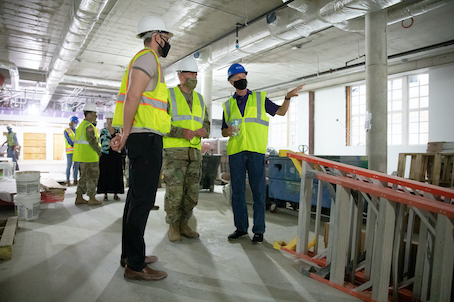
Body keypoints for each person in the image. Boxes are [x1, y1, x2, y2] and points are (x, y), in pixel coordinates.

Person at [110, 15, 172, 281]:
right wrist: (124, 134)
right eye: (166, 38)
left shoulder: (146, 60)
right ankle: (135, 265)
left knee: (136, 200)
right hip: (144, 139)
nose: (168, 42)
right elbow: (133, 96)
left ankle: (130, 255)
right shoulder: (148, 58)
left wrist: (125, 133)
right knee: (142, 202)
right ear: (156, 36)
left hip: (143, 137)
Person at [222, 63, 305, 244]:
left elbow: (281, 112)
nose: (241, 79)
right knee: (237, 192)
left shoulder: (260, 99)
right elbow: (222, 131)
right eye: (237, 78)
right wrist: (228, 131)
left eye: (243, 76)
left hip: (256, 151)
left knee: (259, 191)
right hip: (236, 152)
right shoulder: (227, 105)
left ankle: (258, 231)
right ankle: (240, 228)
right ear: (231, 82)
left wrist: (287, 98)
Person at [163, 57, 210, 242]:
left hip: (195, 154)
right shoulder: (168, 95)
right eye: (190, 74)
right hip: (175, 154)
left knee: (192, 192)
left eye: (196, 74)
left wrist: (205, 130)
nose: (194, 77)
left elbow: (205, 121)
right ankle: (173, 226)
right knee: (175, 192)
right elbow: (160, 124)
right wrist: (180, 132)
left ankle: (184, 223)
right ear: (180, 76)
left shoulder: (199, 98)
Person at [73, 103, 102, 206]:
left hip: (82, 157)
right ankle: (92, 197)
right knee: (92, 177)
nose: (96, 116)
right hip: (90, 157)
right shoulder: (89, 126)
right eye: (94, 113)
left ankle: (79, 197)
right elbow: (92, 141)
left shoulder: (81, 126)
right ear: (88, 114)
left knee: (84, 177)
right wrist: (99, 151)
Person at [97, 111, 124, 201]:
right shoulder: (103, 131)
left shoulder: (118, 131)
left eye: (111, 119)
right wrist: (113, 143)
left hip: (116, 155)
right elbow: (102, 141)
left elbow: (121, 141)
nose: (110, 121)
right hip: (106, 155)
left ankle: (116, 193)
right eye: (108, 119)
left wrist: (114, 143)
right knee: (105, 174)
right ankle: (105, 194)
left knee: (116, 174)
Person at [64, 116, 80, 186]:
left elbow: (79, 141)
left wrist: (75, 142)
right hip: (69, 151)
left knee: (76, 167)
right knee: (69, 165)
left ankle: (75, 180)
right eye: (75, 122)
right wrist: (75, 143)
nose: (76, 123)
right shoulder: (66, 131)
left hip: (77, 151)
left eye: (77, 122)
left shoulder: (77, 131)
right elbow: (69, 141)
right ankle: (67, 181)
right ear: (72, 122)